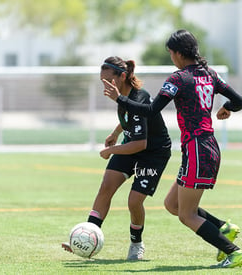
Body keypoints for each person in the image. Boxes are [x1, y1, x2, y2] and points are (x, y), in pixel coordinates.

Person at [102, 30, 242, 268]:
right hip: (204, 147)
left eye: (170, 53)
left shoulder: (178, 79)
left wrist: (119, 99)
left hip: (198, 149)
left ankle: (234, 252)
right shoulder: (210, 74)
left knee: (186, 214)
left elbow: (149, 111)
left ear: (178, 53)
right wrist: (227, 107)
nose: (171, 57)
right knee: (173, 204)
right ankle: (224, 228)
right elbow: (239, 100)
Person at [62, 56, 171, 260]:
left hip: (153, 153)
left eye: (108, 80)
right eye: (101, 81)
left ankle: (136, 243)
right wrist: (115, 133)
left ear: (122, 76)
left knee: (134, 201)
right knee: (106, 188)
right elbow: (130, 118)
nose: (105, 86)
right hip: (131, 143)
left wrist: (111, 151)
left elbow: (141, 144)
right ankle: (88, 237)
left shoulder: (140, 98)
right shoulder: (122, 95)